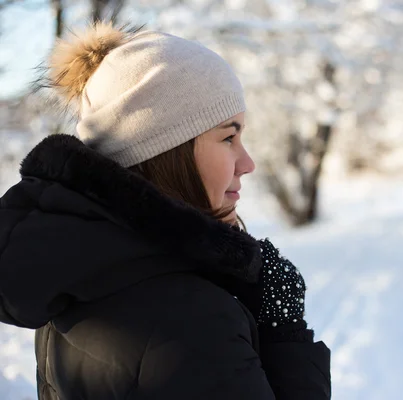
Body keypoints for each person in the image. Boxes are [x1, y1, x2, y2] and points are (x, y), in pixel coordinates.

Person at [0, 22, 331, 399]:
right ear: (165, 151)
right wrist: (284, 334)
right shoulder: (196, 320)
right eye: (228, 137)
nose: (247, 162)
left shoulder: (73, 273)